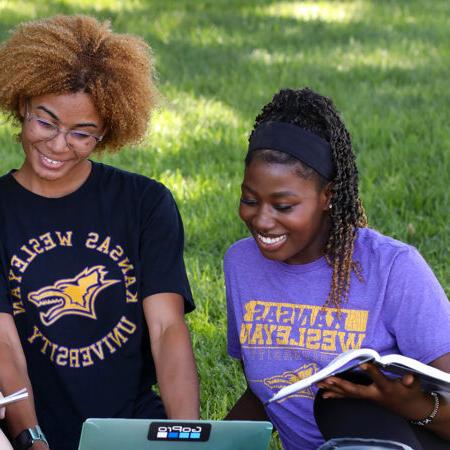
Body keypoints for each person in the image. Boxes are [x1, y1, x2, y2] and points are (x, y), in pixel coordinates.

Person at [0, 15, 199, 450]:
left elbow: (167, 330)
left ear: (106, 132)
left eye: (81, 133)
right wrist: (33, 442)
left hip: (128, 427)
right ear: (22, 104)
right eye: (45, 122)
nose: (57, 145)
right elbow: (4, 344)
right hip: (25, 429)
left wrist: (189, 439)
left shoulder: (146, 204)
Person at [224, 87, 450, 450]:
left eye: (283, 206)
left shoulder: (393, 267)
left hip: (408, 436)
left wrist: (410, 404)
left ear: (328, 196)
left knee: (346, 402)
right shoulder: (241, 263)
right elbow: (266, 392)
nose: (261, 220)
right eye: (250, 200)